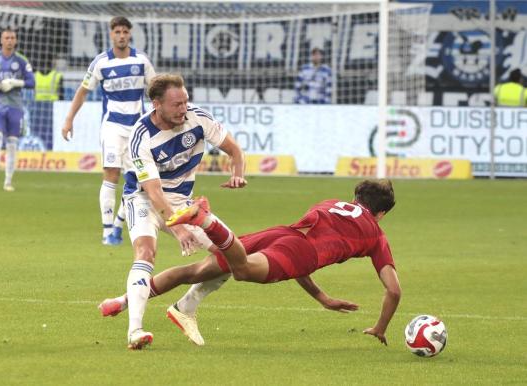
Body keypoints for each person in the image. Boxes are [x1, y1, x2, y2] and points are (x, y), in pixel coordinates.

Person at [100, 179, 400, 347]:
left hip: (280, 234)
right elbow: (394, 291)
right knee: (241, 270)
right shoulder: (375, 235)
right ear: (382, 213)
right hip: (299, 251)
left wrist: (322, 297)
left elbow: (298, 253)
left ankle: (125, 299)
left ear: (356, 196)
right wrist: (380, 327)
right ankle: (206, 220)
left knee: (195, 271)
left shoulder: (332, 203)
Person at [120, 73, 246, 349]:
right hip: (142, 199)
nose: (183, 109)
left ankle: (186, 306)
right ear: (157, 104)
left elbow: (234, 149)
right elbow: (153, 192)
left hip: (182, 202)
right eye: (176, 104)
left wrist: (238, 174)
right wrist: (177, 228)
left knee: (233, 254)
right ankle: (135, 331)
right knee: (145, 252)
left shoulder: (197, 118)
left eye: (185, 101)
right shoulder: (141, 136)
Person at [61, 16, 155, 245]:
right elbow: (82, 91)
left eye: (125, 31)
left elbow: (155, 92)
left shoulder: (141, 60)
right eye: (117, 32)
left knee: (137, 181)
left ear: (129, 34)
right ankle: (106, 232)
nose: (121, 35)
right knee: (111, 174)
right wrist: (69, 119)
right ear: (111, 34)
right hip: (112, 126)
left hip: (137, 129)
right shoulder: (101, 62)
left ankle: (117, 225)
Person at [0, 28, 35, 192]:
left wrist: (15, 83)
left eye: (12, 38)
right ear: (1, 40)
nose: (10, 40)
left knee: (12, 145)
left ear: (15, 41)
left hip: (15, 107)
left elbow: (32, 82)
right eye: (7, 38)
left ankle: (8, 182)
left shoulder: (22, 60)